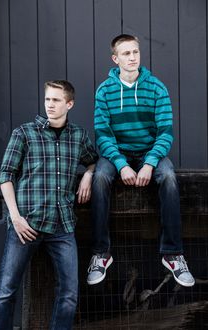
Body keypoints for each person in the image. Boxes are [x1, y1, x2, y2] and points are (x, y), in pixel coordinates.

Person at [0, 80, 98, 330]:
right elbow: (5, 175)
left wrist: (89, 175)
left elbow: (93, 160)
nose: (50, 104)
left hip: (62, 225)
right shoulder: (24, 133)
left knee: (69, 293)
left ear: (69, 104)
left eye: (56, 100)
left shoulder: (78, 136)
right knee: (6, 291)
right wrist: (15, 217)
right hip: (26, 223)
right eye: (48, 99)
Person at [87, 34, 195, 288]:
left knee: (168, 177)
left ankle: (172, 254)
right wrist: (121, 164)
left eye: (135, 52)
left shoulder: (157, 87)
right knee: (100, 177)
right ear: (115, 59)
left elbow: (166, 132)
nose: (133, 57)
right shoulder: (104, 91)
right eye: (126, 53)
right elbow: (103, 134)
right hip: (117, 154)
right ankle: (101, 254)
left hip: (149, 152)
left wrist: (150, 162)